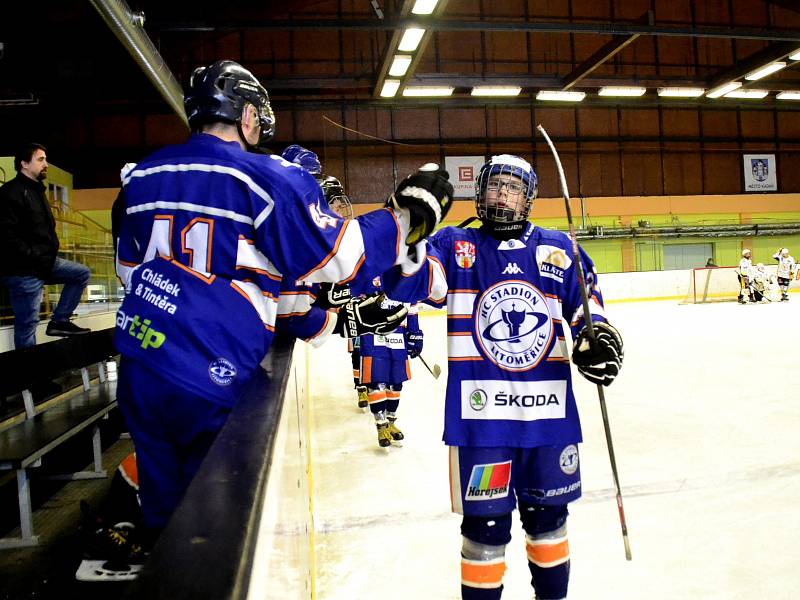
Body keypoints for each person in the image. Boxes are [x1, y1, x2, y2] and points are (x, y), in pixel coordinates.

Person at [113, 60, 453, 543]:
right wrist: (404, 218)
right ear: (248, 117)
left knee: (164, 517)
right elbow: (344, 258)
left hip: (139, 365)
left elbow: (129, 272)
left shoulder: (143, 175)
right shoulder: (264, 176)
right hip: (209, 372)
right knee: (211, 533)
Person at [380, 154, 623, 599]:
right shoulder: (454, 246)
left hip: (548, 420)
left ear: (529, 198)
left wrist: (597, 337)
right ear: (481, 192)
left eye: (513, 188)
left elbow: (589, 305)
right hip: (481, 424)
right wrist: (404, 224)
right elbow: (408, 280)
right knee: (484, 530)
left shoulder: (559, 249)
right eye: (495, 186)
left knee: (549, 523)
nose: (502, 195)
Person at [0, 142, 91, 348]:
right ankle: (31, 379)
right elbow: (6, 236)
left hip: (45, 262)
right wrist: (32, 255)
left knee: (81, 273)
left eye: (45, 159)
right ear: (24, 163)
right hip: (23, 269)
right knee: (27, 325)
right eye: (40, 159)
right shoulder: (11, 193)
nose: (46, 164)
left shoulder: (37, 191)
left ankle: (59, 321)